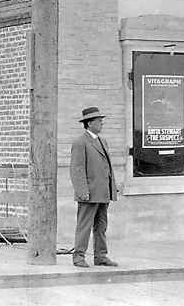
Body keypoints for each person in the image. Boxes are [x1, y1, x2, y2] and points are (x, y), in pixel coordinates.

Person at [69, 106, 118, 268]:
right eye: (99, 120)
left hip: (103, 192)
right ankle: (78, 257)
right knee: (84, 225)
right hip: (89, 193)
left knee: (101, 225)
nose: (102, 123)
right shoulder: (80, 143)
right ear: (89, 123)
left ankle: (101, 256)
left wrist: (112, 187)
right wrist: (82, 191)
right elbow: (77, 170)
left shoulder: (102, 141)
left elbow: (107, 167)